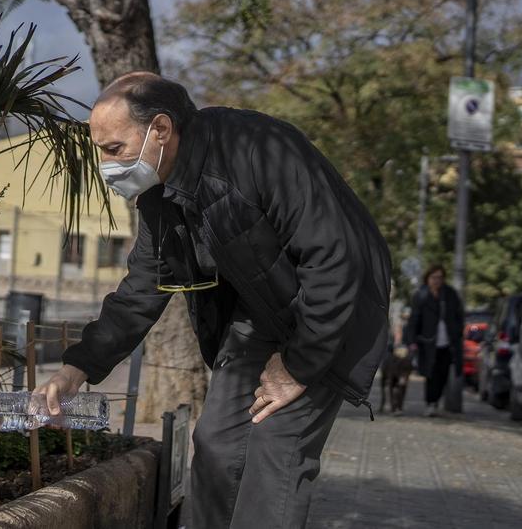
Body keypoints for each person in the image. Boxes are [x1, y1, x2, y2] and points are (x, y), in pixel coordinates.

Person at [32, 72, 391, 528]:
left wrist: (299, 365)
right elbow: (140, 289)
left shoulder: (258, 150)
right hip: (260, 317)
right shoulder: (159, 196)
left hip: (334, 311)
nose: (106, 166)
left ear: (160, 129)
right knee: (218, 443)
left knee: (276, 447)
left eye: (114, 149)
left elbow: (336, 261)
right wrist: (75, 369)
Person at [403, 265, 464, 417]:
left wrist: (457, 331)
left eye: (440, 277)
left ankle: (435, 401)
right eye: (434, 277)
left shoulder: (450, 294)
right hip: (427, 341)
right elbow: (414, 319)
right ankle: (430, 403)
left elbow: (459, 315)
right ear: (428, 278)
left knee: (443, 373)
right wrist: (412, 340)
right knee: (430, 373)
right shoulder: (421, 295)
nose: (437, 281)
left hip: (447, 340)